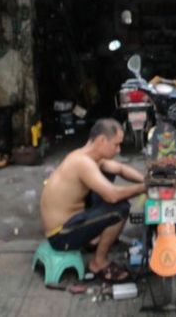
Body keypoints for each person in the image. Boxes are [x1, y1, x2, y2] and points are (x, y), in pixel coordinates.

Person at [40, 118, 146, 282]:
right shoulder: (82, 163)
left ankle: (95, 239)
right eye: (116, 145)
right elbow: (112, 195)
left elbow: (120, 169)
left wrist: (147, 180)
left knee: (107, 174)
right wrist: (145, 188)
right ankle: (99, 262)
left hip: (72, 221)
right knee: (120, 208)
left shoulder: (87, 157)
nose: (118, 150)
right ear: (102, 140)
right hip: (61, 236)